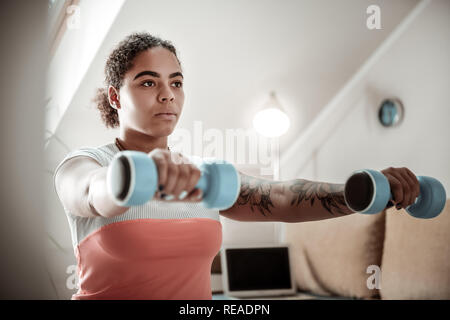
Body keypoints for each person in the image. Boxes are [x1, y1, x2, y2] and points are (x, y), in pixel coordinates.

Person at [53, 32, 420, 300]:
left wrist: (365, 192)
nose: (167, 94)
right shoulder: (85, 164)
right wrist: (138, 175)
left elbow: (280, 197)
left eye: (176, 82)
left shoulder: (203, 176)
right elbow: (93, 191)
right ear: (116, 96)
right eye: (148, 82)